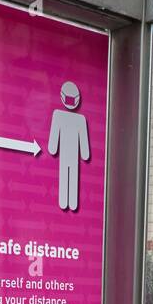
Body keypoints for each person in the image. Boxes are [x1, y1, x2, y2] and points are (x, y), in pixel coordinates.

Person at [47, 81, 90, 211]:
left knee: (71, 176)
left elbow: (84, 144)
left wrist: (84, 153)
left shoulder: (76, 119)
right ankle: (67, 202)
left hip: (71, 156)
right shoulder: (61, 116)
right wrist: (84, 153)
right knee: (67, 175)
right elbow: (53, 142)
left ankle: (69, 202)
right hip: (67, 155)